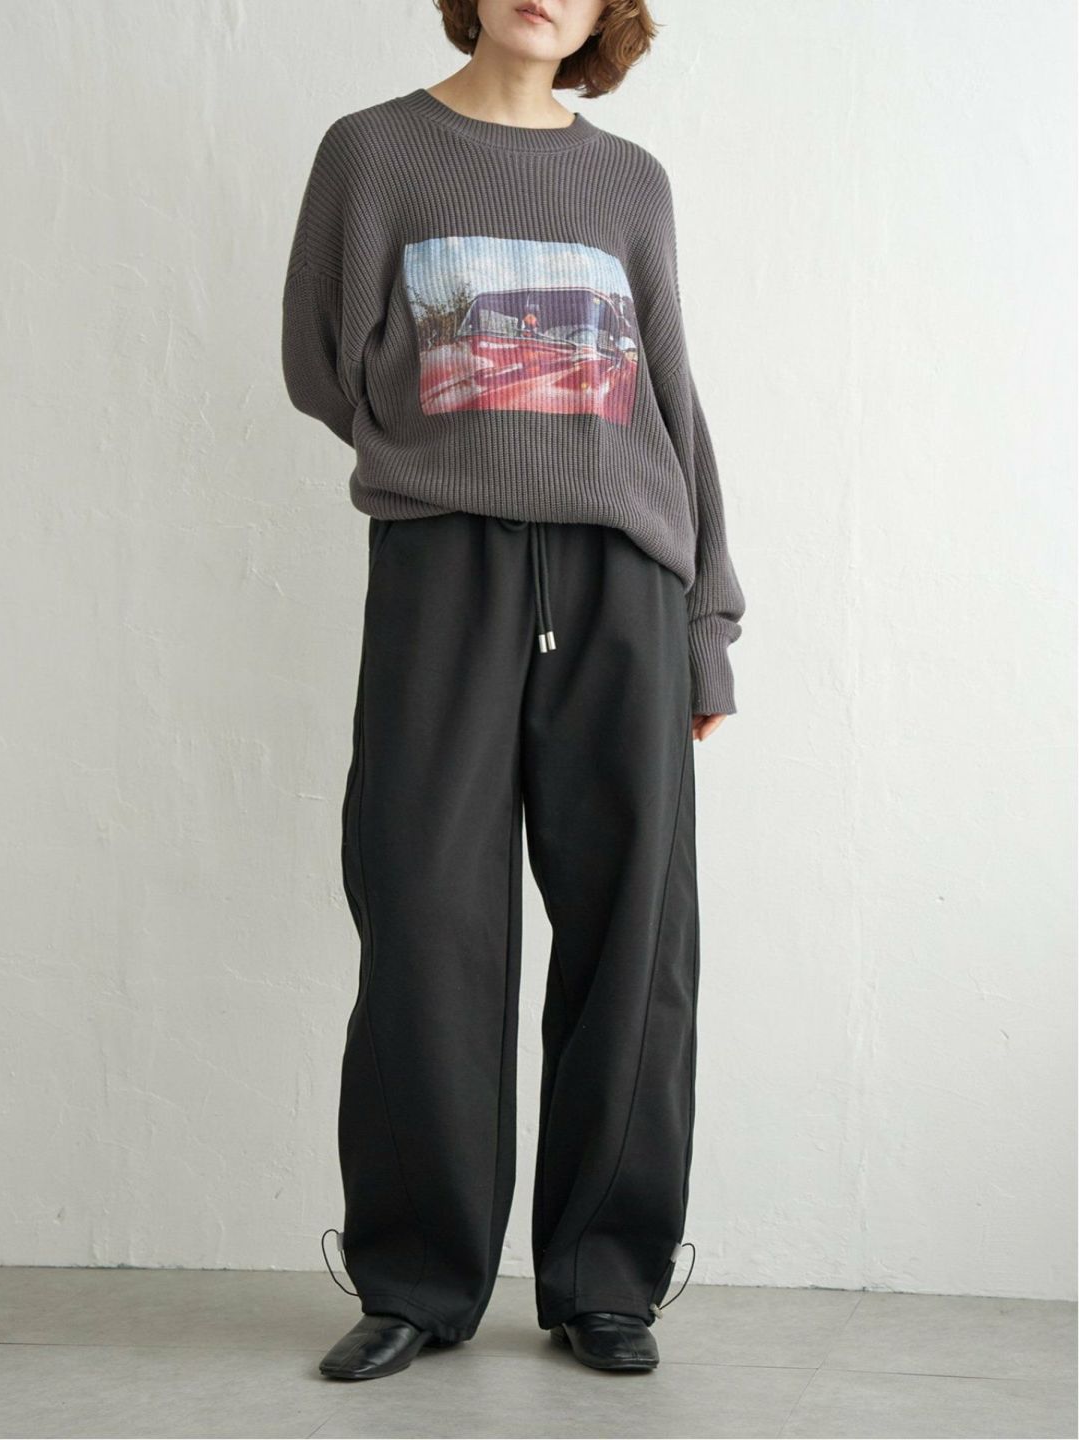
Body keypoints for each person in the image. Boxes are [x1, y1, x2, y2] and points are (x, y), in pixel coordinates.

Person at [281, 0, 746, 1383]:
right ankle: (418, 1281)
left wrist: (707, 624)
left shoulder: (630, 183)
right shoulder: (372, 153)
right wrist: (450, 457)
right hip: (444, 567)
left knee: (632, 933)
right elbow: (320, 361)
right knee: (423, 914)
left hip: (622, 579)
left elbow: (670, 398)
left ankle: (607, 1280)